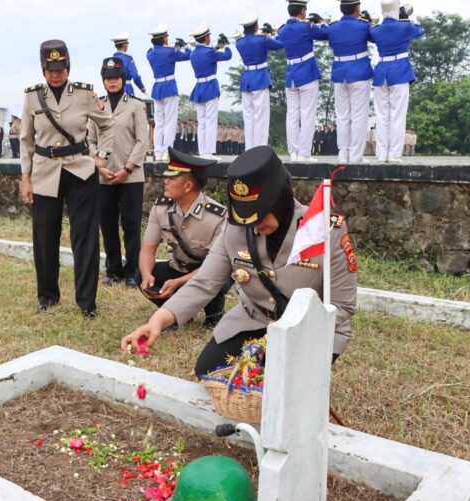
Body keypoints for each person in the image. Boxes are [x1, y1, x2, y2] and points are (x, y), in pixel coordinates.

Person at [122, 146, 358, 375]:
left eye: (261, 211)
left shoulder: (323, 230)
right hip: (254, 321)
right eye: (245, 215)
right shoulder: (234, 229)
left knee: (276, 383)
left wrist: (280, 339)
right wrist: (158, 321)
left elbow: (342, 305)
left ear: (282, 198)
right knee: (209, 371)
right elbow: (204, 283)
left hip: (309, 331)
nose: (253, 224)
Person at [19, 40, 114, 318]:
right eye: (50, 69)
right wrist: (25, 179)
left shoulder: (84, 94)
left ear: (68, 67)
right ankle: (48, 295)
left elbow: (107, 124)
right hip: (44, 172)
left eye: (60, 68)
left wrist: (101, 156)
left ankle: (87, 302)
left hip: (80, 171)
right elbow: (25, 141)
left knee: (84, 238)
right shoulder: (32, 97)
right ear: (43, 69)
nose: (55, 74)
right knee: (45, 236)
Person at [135, 147, 230, 329]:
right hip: (180, 267)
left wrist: (177, 283)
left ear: (188, 186)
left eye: (172, 178)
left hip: (209, 272)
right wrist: (147, 275)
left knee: (217, 277)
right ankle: (173, 314)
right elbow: (147, 250)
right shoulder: (161, 208)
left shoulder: (217, 217)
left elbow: (214, 266)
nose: (166, 181)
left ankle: (214, 314)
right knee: (141, 273)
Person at [88, 57, 149, 287]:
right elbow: (90, 140)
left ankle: (133, 271)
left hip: (130, 176)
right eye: (108, 79)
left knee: (131, 224)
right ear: (103, 81)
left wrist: (127, 169)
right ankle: (113, 270)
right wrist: (99, 166)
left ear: (123, 79)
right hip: (104, 177)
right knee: (108, 224)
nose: (112, 83)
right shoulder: (97, 106)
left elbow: (142, 141)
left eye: (115, 78)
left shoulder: (135, 105)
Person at [370, 0, 424, 163]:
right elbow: (420, 31)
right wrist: (405, 17)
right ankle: (393, 154)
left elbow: (371, 33)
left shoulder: (376, 30)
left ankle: (381, 154)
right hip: (400, 71)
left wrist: (375, 22)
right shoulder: (404, 26)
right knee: (397, 115)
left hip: (381, 72)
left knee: (382, 116)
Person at [277, 0, 329, 162]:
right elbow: (325, 34)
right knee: (307, 115)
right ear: (302, 11)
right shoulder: (307, 27)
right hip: (307, 74)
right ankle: (304, 153)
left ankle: (293, 151)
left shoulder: (283, 30)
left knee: (292, 115)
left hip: (291, 75)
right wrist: (321, 22)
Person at [325, 0, 374, 164]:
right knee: (358, 116)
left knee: (342, 116)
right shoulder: (363, 25)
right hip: (359, 72)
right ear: (357, 8)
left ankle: (343, 153)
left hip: (340, 73)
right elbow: (374, 37)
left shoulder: (333, 27)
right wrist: (372, 22)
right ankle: (356, 156)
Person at [236, 8, 285, 150]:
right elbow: (280, 44)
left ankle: (249, 149)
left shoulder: (239, 43)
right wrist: (274, 33)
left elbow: (250, 41)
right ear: (256, 25)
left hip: (246, 81)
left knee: (249, 119)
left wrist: (264, 35)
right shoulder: (262, 40)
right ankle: (260, 150)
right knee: (261, 118)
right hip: (260, 79)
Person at [146, 24, 191, 161]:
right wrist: (183, 46)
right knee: (170, 123)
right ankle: (167, 152)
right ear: (163, 39)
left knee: (159, 123)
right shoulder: (170, 52)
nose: (167, 39)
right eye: (166, 36)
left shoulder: (150, 53)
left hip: (157, 87)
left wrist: (174, 47)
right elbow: (188, 55)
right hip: (169, 87)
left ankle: (158, 152)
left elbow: (161, 53)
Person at [189, 23, 232, 159]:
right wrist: (226, 44)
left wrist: (216, 47)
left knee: (201, 122)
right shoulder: (209, 52)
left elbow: (207, 53)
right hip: (210, 87)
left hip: (199, 88)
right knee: (211, 120)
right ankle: (209, 152)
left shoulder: (193, 53)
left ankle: (203, 151)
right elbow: (228, 55)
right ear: (206, 38)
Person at [111, 32, 147, 97]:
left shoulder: (111, 60)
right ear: (125, 45)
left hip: (113, 90)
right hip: (126, 89)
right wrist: (141, 87)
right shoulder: (128, 58)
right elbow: (135, 76)